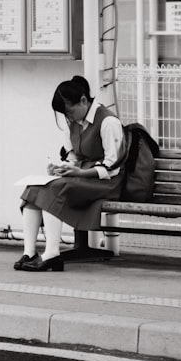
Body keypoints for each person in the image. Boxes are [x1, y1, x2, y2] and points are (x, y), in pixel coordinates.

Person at [15, 75, 125, 272]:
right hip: (83, 175)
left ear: (83, 100)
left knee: (55, 189)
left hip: (107, 182)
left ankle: (51, 254)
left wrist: (80, 173)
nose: (68, 117)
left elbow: (112, 167)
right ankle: (29, 252)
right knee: (34, 188)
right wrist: (62, 167)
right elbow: (72, 155)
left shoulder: (108, 122)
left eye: (69, 111)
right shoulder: (74, 121)